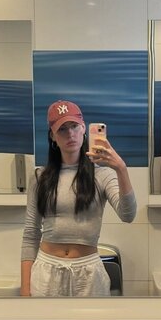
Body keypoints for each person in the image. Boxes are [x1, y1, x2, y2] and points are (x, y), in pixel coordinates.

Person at [20, 100, 136, 297]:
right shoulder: (40, 177)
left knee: (93, 319)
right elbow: (31, 234)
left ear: (84, 128)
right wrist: (25, 290)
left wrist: (121, 169)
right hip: (46, 272)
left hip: (88, 273)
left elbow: (128, 215)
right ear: (52, 136)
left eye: (74, 126)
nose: (70, 134)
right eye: (62, 129)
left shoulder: (103, 175)